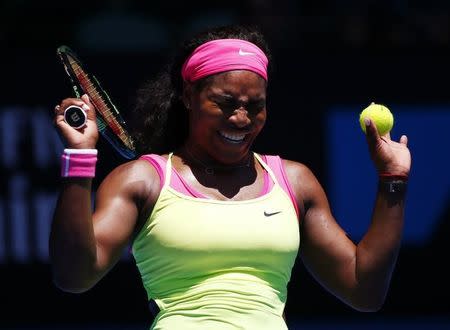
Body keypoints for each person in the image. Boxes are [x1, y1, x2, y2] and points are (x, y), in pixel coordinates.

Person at [50, 24, 411, 330]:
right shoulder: (143, 180)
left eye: (255, 106)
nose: (241, 119)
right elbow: (75, 276)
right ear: (190, 96)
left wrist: (392, 179)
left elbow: (363, 290)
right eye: (225, 103)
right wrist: (79, 159)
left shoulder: (295, 182)